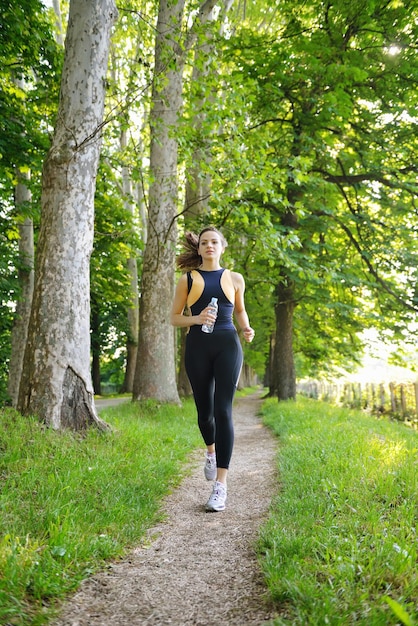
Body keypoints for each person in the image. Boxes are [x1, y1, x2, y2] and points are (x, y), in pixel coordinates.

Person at [170, 227, 255, 512]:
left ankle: (221, 485)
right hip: (198, 348)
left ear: (222, 247)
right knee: (205, 415)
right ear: (199, 248)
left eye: (214, 242)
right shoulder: (189, 279)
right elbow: (174, 318)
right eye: (204, 242)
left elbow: (240, 310)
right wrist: (196, 318)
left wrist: (245, 328)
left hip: (228, 345)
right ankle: (210, 451)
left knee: (223, 411)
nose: (209, 246)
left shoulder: (234, 278)